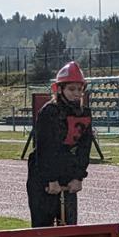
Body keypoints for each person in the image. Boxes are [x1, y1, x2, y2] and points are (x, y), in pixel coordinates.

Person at [25, 61, 93, 227]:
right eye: (71, 89)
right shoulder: (49, 112)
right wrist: (51, 179)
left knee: (69, 228)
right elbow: (44, 148)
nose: (76, 93)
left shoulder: (84, 113)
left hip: (68, 172)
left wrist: (78, 177)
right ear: (60, 89)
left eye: (79, 89)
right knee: (43, 229)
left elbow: (85, 147)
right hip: (43, 175)